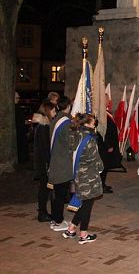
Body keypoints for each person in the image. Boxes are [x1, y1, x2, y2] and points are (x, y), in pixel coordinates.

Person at [62, 114, 104, 244]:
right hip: (88, 176)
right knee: (87, 205)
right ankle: (84, 235)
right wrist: (101, 167)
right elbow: (95, 159)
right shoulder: (89, 139)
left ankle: (71, 229)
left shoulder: (74, 135)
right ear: (86, 124)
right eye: (93, 123)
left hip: (77, 173)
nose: (94, 125)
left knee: (85, 202)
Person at [48, 96, 73, 232]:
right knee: (60, 195)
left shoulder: (55, 119)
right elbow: (70, 143)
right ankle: (58, 221)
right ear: (68, 106)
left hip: (55, 160)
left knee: (56, 193)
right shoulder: (66, 123)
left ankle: (55, 219)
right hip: (62, 163)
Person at [33, 101, 56, 222]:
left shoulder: (44, 126)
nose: (54, 113)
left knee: (45, 189)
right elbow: (45, 148)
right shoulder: (43, 127)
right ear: (47, 112)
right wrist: (48, 164)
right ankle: (42, 213)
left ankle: (43, 212)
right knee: (44, 189)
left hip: (44, 163)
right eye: (53, 111)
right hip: (44, 164)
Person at [15, 91, 29, 164]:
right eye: (17, 98)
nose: (18, 99)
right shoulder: (16, 108)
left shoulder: (17, 108)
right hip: (19, 131)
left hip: (20, 130)